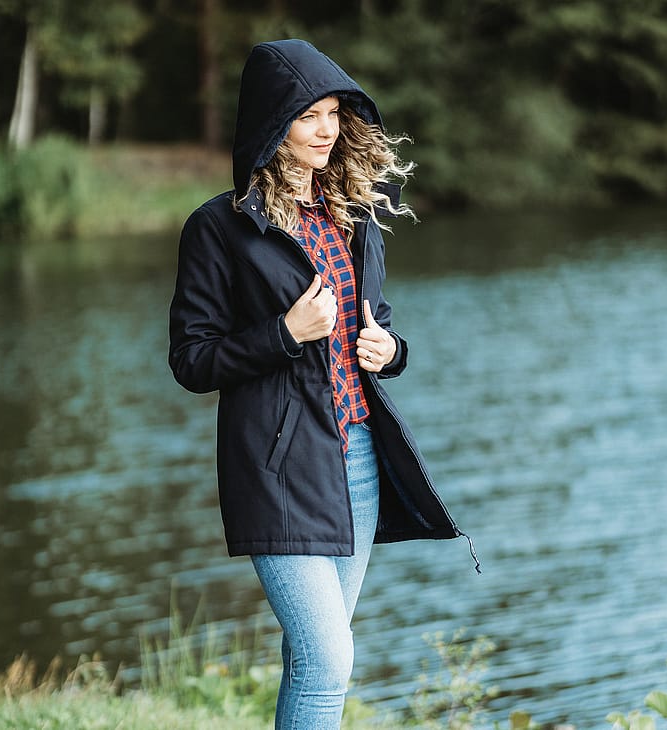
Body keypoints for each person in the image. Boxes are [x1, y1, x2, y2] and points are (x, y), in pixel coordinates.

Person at [169, 38, 479, 730]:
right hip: (276, 467)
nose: (325, 130)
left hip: (357, 462)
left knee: (314, 659)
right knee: (329, 659)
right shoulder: (219, 228)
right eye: (307, 116)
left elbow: (380, 325)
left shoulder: (354, 216)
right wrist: (285, 332)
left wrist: (389, 350)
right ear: (271, 123)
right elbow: (191, 360)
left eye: (334, 113)